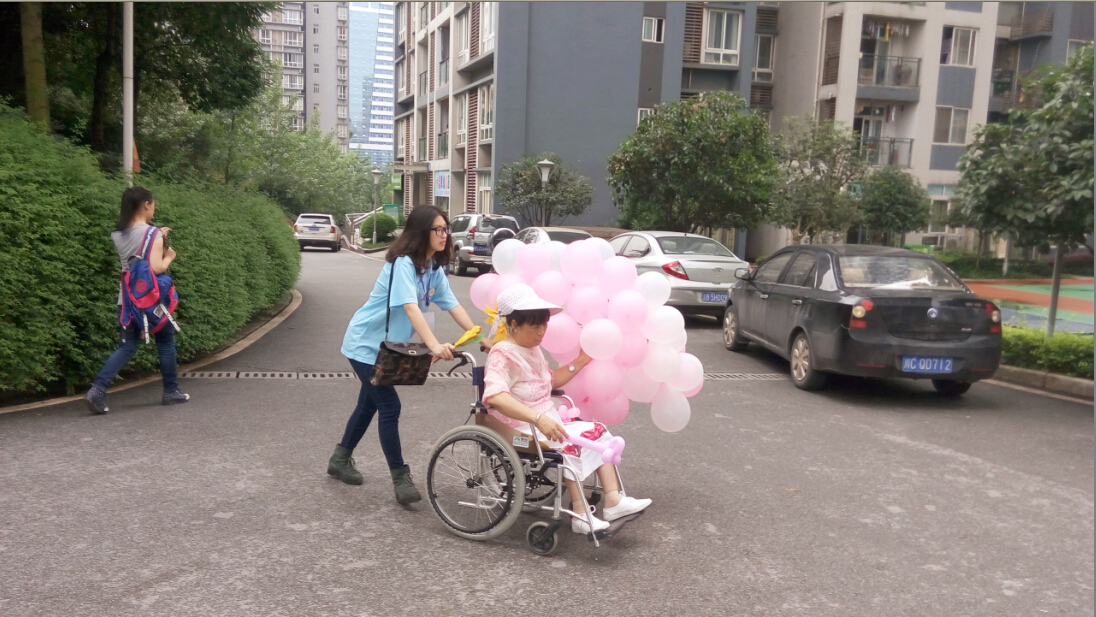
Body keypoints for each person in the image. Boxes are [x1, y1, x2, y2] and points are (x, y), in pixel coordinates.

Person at [330, 205, 478, 505]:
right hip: (364, 346)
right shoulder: (403, 265)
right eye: (438, 229)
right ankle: (400, 477)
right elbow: (410, 307)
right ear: (422, 232)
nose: (445, 234)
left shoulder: (433, 268)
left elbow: (452, 304)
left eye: (446, 228)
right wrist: (434, 345)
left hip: (387, 349)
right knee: (389, 406)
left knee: (368, 405)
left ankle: (340, 459)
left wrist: (478, 333)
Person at [482, 284, 652, 534]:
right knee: (571, 444)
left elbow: (549, 382)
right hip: (519, 428)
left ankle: (614, 501)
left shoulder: (532, 349)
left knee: (598, 430)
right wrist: (537, 418)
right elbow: (495, 397)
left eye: (544, 324)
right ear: (514, 323)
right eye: (534, 326)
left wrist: (582, 360)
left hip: (545, 422)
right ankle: (580, 515)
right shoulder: (502, 354)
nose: (541, 332)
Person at [83, 186, 189, 415]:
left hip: (127, 301)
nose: (153, 209)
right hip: (151, 301)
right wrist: (169, 256)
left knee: (127, 346)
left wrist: (158, 236)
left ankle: (97, 389)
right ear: (146, 204)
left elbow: (139, 251)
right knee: (165, 342)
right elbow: (156, 267)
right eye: (153, 205)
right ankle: (171, 391)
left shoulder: (118, 234)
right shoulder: (153, 233)